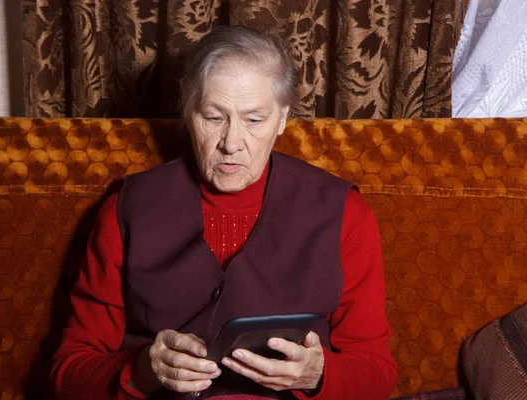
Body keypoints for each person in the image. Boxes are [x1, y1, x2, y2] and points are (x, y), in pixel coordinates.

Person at [51, 26, 397, 399]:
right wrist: (141, 368)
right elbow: (68, 373)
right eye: (214, 117)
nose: (232, 143)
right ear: (187, 109)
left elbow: (377, 373)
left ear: (282, 118)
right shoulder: (125, 209)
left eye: (254, 120)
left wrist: (317, 374)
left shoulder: (345, 213)